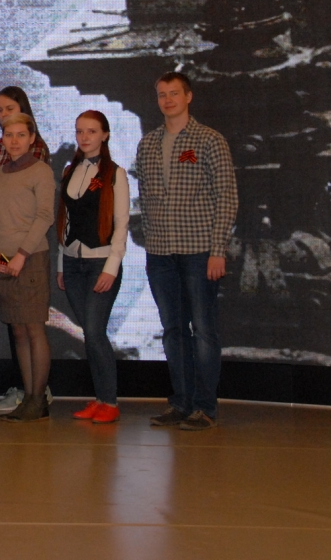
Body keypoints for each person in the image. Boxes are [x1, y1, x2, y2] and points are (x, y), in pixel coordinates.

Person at [133, 72, 238, 431]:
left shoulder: (209, 139)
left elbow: (227, 197)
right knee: (173, 330)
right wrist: (149, 242)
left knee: (204, 331)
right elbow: (145, 197)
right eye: (161, 94)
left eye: (174, 93)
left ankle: (204, 408)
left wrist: (218, 249)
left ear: (188, 96)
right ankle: (181, 403)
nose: (167, 100)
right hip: (160, 253)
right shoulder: (148, 143)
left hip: (199, 251)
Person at [55, 110, 129, 425]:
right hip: (73, 263)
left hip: (101, 262)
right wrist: (62, 263)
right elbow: (65, 221)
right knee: (89, 334)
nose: (84, 137)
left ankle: (110, 402)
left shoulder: (115, 174)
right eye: (79, 131)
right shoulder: (69, 171)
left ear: (105, 135)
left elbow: (121, 224)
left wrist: (111, 268)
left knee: (96, 333)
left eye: (91, 131)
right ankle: (99, 399)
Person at [0, 112, 55, 423]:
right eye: (8, 135)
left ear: (32, 139)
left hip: (30, 258)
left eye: (20, 135)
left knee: (33, 328)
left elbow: (45, 216)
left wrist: (21, 255)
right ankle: (28, 397)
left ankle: (38, 400)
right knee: (17, 330)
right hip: (2, 260)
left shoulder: (41, 171)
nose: (14, 141)